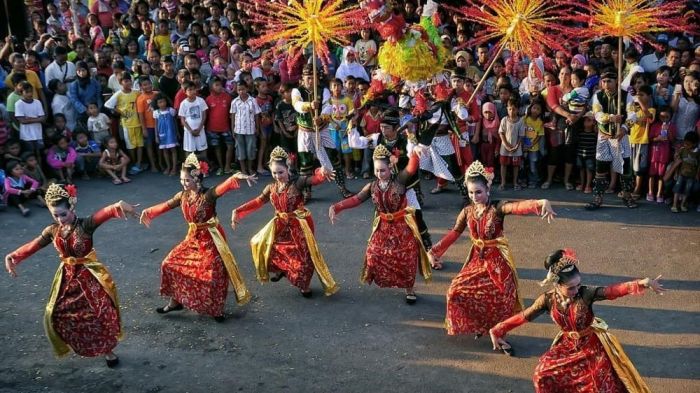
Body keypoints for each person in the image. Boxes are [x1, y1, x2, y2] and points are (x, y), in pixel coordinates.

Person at [489, 248, 663, 392]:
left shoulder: (585, 294)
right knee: (541, 374)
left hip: (592, 345)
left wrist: (642, 283)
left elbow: (612, 291)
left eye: (578, 284)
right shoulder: (547, 300)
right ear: (557, 285)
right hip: (567, 345)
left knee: (595, 383)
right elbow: (525, 316)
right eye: (571, 287)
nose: (576, 289)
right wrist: (498, 329)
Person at [4, 183, 138, 367]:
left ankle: (108, 351)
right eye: (55, 215)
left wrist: (120, 205)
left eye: (63, 214)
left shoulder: (85, 225)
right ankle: (79, 344)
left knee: (97, 315)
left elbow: (105, 213)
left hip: (89, 277)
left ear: (71, 207)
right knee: (57, 314)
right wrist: (14, 255)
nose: (59, 219)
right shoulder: (52, 231)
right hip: (66, 278)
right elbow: (34, 245)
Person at [428, 161, 556, 346]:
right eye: (471, 193)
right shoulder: (467, 211)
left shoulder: (497, 208)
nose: (475, 196)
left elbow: (516, 207)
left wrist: (539, 203)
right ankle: (481, 325)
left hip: (497, 262)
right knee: (455, 292)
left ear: (488, 188)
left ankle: (500, 333)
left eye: (478, 192)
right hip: (476, 260)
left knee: (502, 298)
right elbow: (455, 233)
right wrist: (435, 251)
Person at [139, 154, 255, 322]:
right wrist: (148, 212)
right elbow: (166, 205)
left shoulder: (207, 196)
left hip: (211, 239)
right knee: (169, 264)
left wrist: (234, 178)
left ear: (197, 179)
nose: (183, 183)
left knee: (213, 275)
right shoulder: (183, 196)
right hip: (193, 238)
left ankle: (216, 310)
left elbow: (220, 189)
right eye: (182, 180)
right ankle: (175, 302)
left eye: (187, 180)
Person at [329, 144, 431, 304]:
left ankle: (409, 289)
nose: (379, 174)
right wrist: (337, 207)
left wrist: (416, 153)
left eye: (382, 170)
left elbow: (411, 167)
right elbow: (357, 199)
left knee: (405, 259)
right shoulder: (372, 186)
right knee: (374, 254)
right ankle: (385, 279)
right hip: (382, 226)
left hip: (401, 226)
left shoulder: (400, 181)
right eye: (376, 170)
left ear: (390, 166)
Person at [231, 147, 339, 298]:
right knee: (267, 246)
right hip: (280, 224)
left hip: (298, 225)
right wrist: (239, 210)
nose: (277, 176)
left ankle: (304, 285)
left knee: (302, 257)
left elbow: (314, 180)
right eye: (274, 173)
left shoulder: (298, 183)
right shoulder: (271, 187)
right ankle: (282, 270)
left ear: (288, 168)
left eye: (280, 172)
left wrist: (322, 172)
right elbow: (258, 201)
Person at [292, 64, 353, 201]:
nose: (310, 81)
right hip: (305, 132)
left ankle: (342, 187)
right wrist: (309, 106)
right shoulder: (297, 91)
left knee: (334, 158)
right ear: (303, 78)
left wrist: (321, 117)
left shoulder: (323, 90)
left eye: (313, 78)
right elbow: (297, 105)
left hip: (322, 130)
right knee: (305, 162)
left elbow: (328, 107)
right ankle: (307, 192)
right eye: (308, 78)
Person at [586, 70, 637, 210]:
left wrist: (625, 128)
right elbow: (597, 114)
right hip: (604, 136)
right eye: (604, 81)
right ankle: (598, 197)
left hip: (622, 136)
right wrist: (611, 118)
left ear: (616, 81)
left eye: (609, 81)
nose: (606, 84)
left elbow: (633, 115)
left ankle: (627, 195)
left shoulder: (627, 96)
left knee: (625, 166)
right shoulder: (598, 96)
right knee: (601, 166)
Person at [104, 73, 143, 175]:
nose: (128, 82)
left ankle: (138, 163)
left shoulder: (136, 92)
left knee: (139, 145)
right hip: (126, 124)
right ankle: (134, 162)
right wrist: (119, 111)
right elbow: (107, 105)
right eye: (125, 81)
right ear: (121, 83)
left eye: (129, 80)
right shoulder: (118, 94)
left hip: (138, 123)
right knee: (131, 146)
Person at [647, 107, 676, 203]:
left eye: (667, 117)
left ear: (671, 117)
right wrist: (657, 138)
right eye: (662, 116)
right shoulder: (655, 125)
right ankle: (650, 192)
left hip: (664, 154)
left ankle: (659, 193)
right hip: (654, 154)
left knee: (660, 175)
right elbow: (650, 139)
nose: (664, 119)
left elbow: (672, 141)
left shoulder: (672, 126)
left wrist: (668, 131)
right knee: (652, 174)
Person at [14, 81, 46, 167]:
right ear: (21, 93)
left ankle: (40, 171)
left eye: (31, 91)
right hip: (26, 134)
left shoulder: (37, 102)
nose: (30, 94)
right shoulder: (18, 104)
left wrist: (29, 118)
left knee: (39, 153)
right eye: (27, 92)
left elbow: (43, 118)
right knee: (30, 154)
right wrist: (36, 119)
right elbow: (22, 121)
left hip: (37, 132)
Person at [499, 97, 525, 190]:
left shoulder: (521, 121)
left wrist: (517, 146)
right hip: (504, 148)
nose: (511, 111)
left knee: (516, 165)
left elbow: (521, 135)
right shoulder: (504, 120)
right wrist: (506, 144)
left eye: (514, 109)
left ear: (517, 109)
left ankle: (515, 182)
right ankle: (503, 182)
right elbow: (501, 133)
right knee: (503, 164)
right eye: (510, 109)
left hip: (516, 148)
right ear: (507, 109)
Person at [178, 81, 209, 159]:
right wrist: (190, 130)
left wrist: (199, 128)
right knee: (189, 151)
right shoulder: (183, 104)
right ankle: (190, 167)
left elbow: (204, 116)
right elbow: (182, 119)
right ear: (185, 92)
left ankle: (203, 168)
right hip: (189, 132)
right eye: (190, 90)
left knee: (203, 150)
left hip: (200, 130)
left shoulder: (201, 100)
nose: (192, 91)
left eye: (194, 89)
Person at [671, 132, 699, 213]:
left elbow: (698, 165)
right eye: (685, 143)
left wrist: (697, 174)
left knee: (687, 190)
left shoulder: (697, 153)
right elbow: (677, 159)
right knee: (677, 189)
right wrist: (676, 154)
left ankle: (683, 204)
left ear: (694, 144)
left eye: (688, 144)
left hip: (691, 176)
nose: (686, 145)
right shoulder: (682, 150)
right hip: (681, 174)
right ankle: (674, 204)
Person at [152, 93, 179, 176]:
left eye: (163, 101)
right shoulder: (156, 112)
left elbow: (175, 122)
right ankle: (168, 166)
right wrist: (156, 136)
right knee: (165, 151)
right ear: (156, 104)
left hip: (171, 133)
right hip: (162, 134)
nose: (162, 104)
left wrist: (177, 132)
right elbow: (156, 125)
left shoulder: (171, 110)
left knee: (173, 150)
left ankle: (174, 168)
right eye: (160, 102)